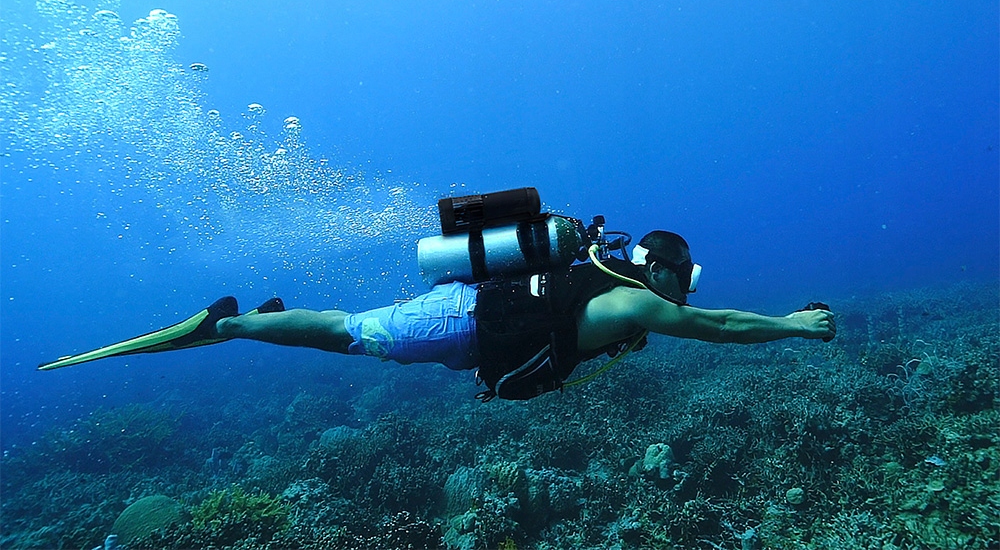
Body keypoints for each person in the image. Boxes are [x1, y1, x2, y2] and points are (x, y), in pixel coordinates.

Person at [39, 229, 836, 401]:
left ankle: (274, 316)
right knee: (352, 333)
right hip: (457, 320)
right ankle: (230, 324)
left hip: (468, 330)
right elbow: (722, 328)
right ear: (659, 269)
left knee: (352, 330)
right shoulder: (633, 300)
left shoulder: (617, 290)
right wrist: (796, 328)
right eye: (680, 277)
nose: (684, 292)